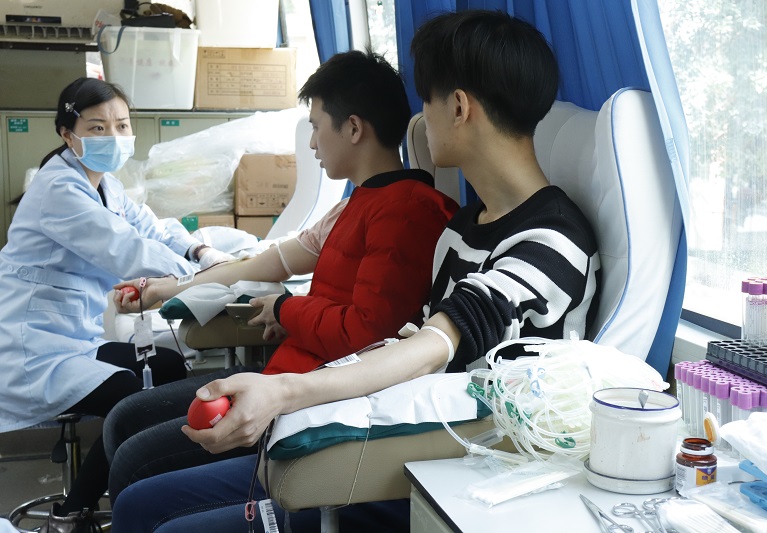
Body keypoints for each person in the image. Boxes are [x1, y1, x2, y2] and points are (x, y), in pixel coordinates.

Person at [111, 10, 601, 532]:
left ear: (458, 108)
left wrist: (284, 392)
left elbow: (432, 345)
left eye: (427, 102)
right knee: (143, 500)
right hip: (398, 431)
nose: (419, 120)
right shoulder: (464, 226)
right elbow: (406, 339)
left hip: (455, 470)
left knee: (150, 508)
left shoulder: (551, 241)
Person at [103, 49, 458, 506]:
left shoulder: (407, 211)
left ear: (353, 128)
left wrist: (287, 309)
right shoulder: (355, 206)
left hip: (309, 402)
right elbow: (282, 270)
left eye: (315, 126)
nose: (311, 144)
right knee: (125, 419)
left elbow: (366, 335)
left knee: (136, 462)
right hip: (285, 373)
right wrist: (179, 289)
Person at [0, 77, 221, 531]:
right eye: (97, 128)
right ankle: (74, 512)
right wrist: (208, 277)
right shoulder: (59, 190)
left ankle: (134, 486)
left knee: (167, 369)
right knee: (131, 397)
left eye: (121, 125)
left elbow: (151, 227)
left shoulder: (105, 186)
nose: (114, 137)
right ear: (68, 134)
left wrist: (200, 251)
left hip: (72, 340)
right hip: (31, 349)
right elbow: (125, 248)